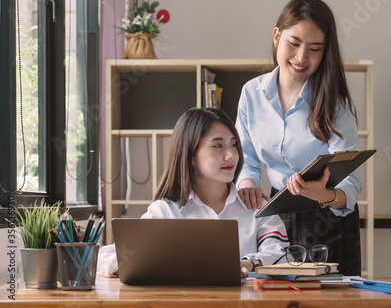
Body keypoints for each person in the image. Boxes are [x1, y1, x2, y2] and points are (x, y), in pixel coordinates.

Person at [235, 0, 362, 276]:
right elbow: (247, 157)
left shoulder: (334, 101)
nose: (302, 58)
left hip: (329, 217)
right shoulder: (251, 94)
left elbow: (352, 182)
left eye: (315, 49)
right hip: (276, 215)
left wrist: (326, 194)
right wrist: (247, 183)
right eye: (293, 44)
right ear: (277, 36)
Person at [97, 108, 288, 277]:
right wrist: (135, 265)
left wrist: (248, 263)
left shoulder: (256, 207)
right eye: (218, 145)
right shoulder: (165, 211)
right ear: (190, 155)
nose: (231, 155)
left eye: (234, 144)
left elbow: (281, 254)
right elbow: (105, 256)